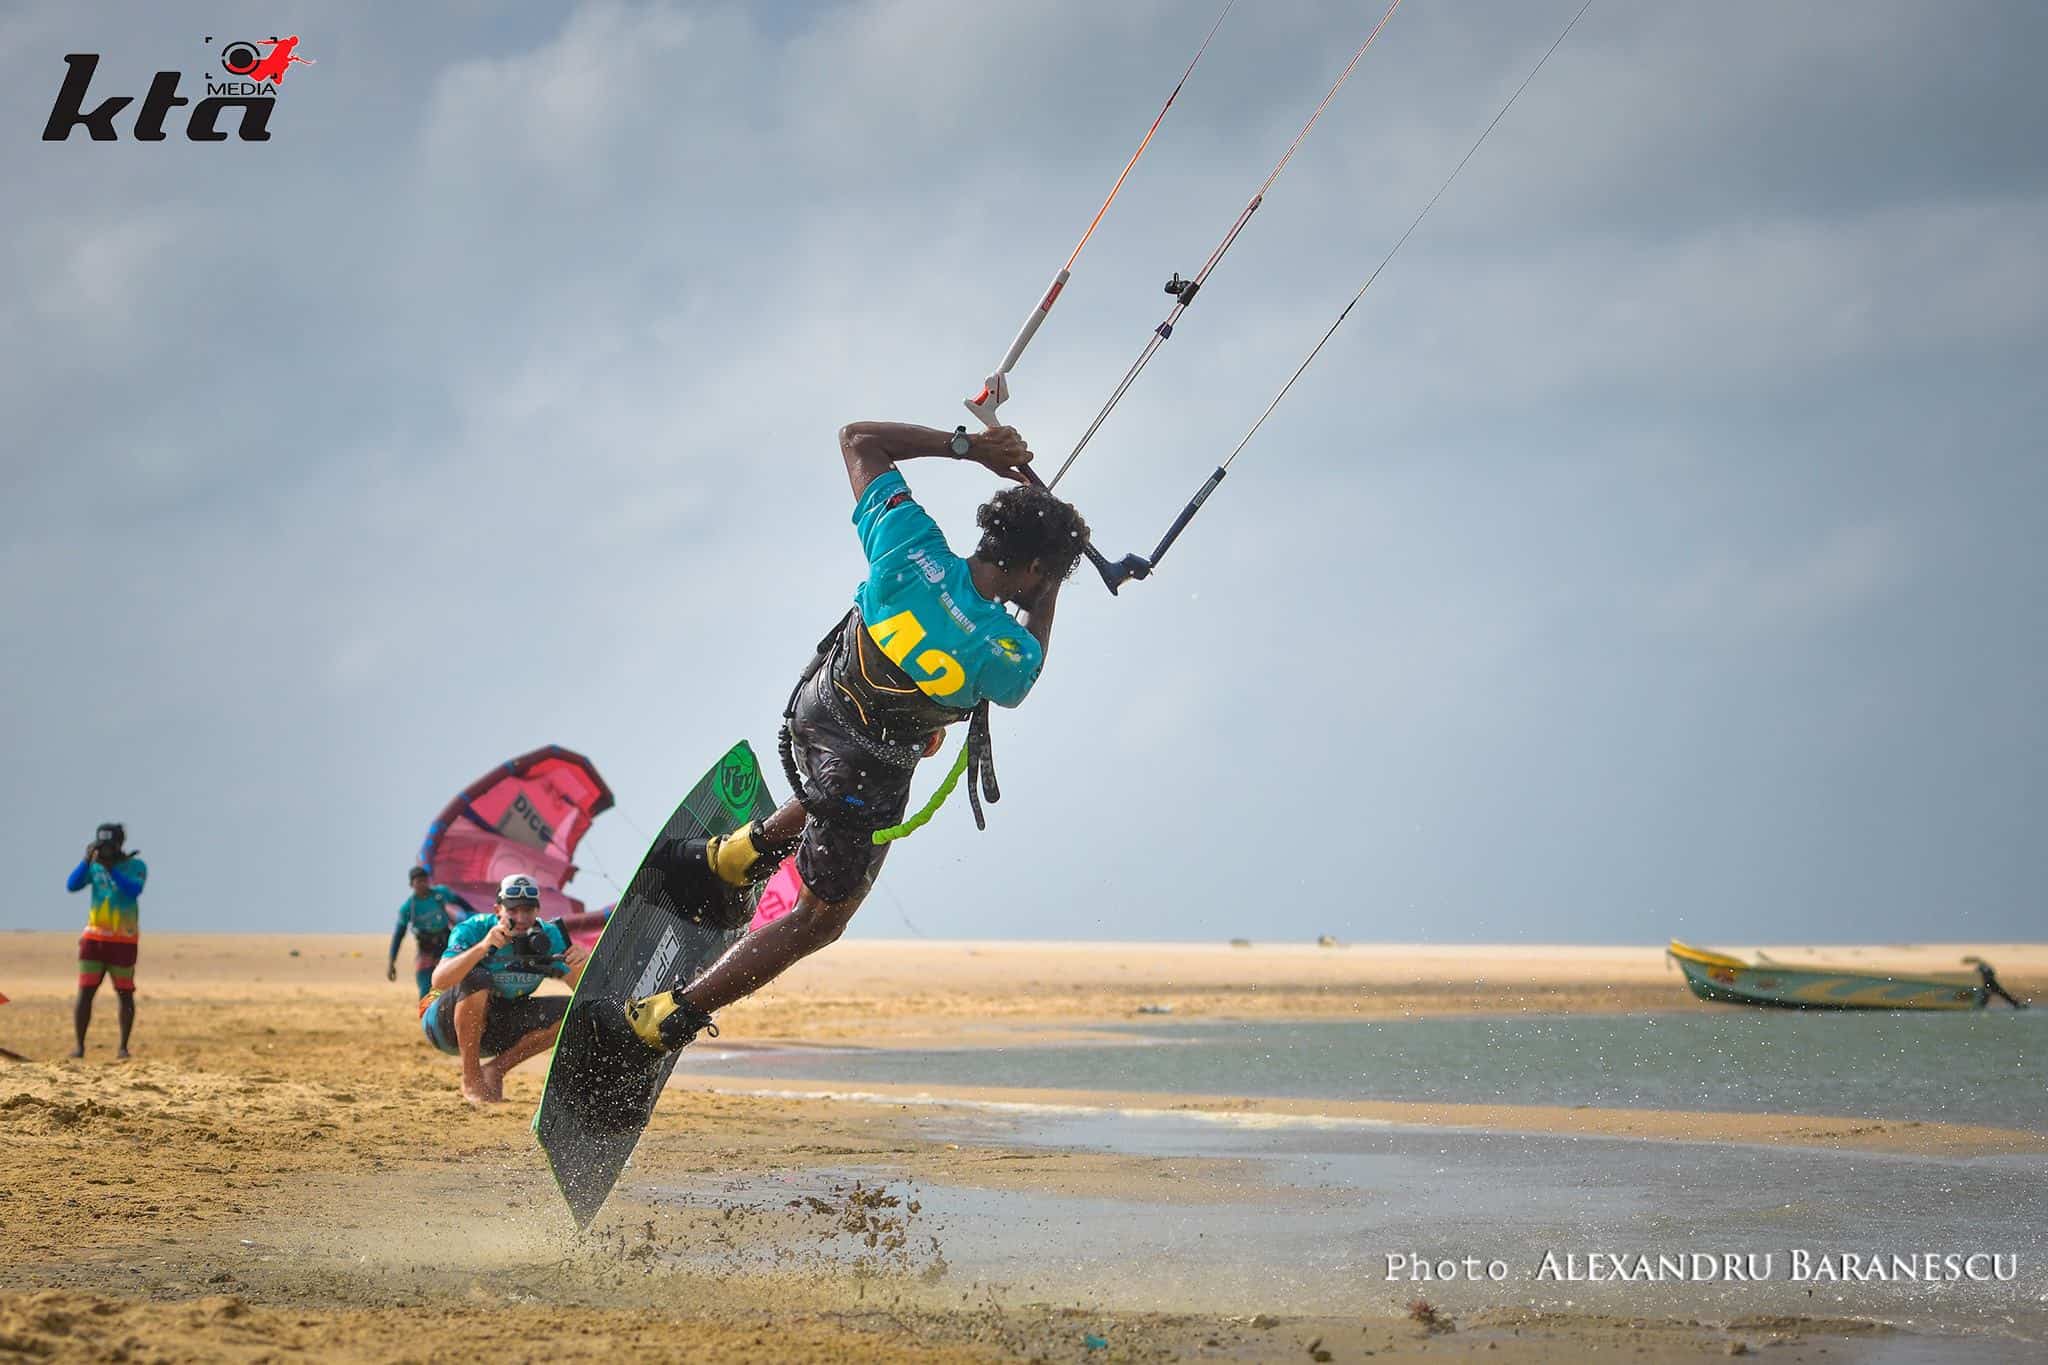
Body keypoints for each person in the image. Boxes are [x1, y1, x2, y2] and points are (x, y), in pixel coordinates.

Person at [624, 421, 1087, 1052]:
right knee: (819, 920)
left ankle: (732, 856)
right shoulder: (1000, 652)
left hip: (812, 714)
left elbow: (858, 439)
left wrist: (972, 449)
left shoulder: (909, 544)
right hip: (862, 773)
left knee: (847, 777)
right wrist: (1052, 578)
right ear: (1033, 568)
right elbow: (1027, 657)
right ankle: (667, 1015)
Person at [422, 874, 587, 1104]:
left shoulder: (548, 936)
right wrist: (482, 948)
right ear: (498, 909)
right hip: (442, 1024)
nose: (521, 918)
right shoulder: (474, 929)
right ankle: (471, 1078)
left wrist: (583, 964)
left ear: (538, 910)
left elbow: (586, 994)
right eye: (513, 910)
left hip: (497, 1025)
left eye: (528, 910)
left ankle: (496, 1070)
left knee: (574, 1011)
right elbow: (438, 981)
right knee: (478, 977)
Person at [66, 822, 148, 1059]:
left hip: (124, 940)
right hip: (94, 939)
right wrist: (86, 861)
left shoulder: (136, 865)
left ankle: (123, 1047)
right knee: (86, 992)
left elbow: (133, 891)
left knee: (125, 993)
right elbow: (71, 886)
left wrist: (112, 869)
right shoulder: (94, 867)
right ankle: (79, 1046)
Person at [387, 866, 474, 998]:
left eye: (425, 880)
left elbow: (463, 904)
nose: (422, 884)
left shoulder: (440, 893)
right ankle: (426, 1016)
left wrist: (476, 917)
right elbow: (399, 936)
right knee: (426, 991)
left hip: (446, 947)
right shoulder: (408, 908)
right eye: (418, 882)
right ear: (411, 884)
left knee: (453, 986)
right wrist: (392, 962)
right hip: (426, 951)